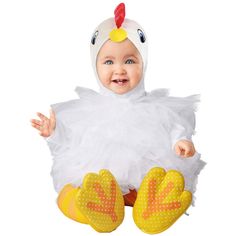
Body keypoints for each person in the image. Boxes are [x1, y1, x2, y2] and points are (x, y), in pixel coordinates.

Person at [30, 3, 205, 234]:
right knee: (67, 195)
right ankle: (98, 208)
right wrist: (53, 133)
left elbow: (174, 128)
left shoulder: (157, 109)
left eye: (130, 61)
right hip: (97, 185)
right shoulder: (85, 113)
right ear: (96, 65)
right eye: (109, 61)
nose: (120, 70)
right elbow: (69, 144)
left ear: (144, 63)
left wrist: (181, 142)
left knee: (161, 184)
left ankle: (150, 209)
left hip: (141, 186)